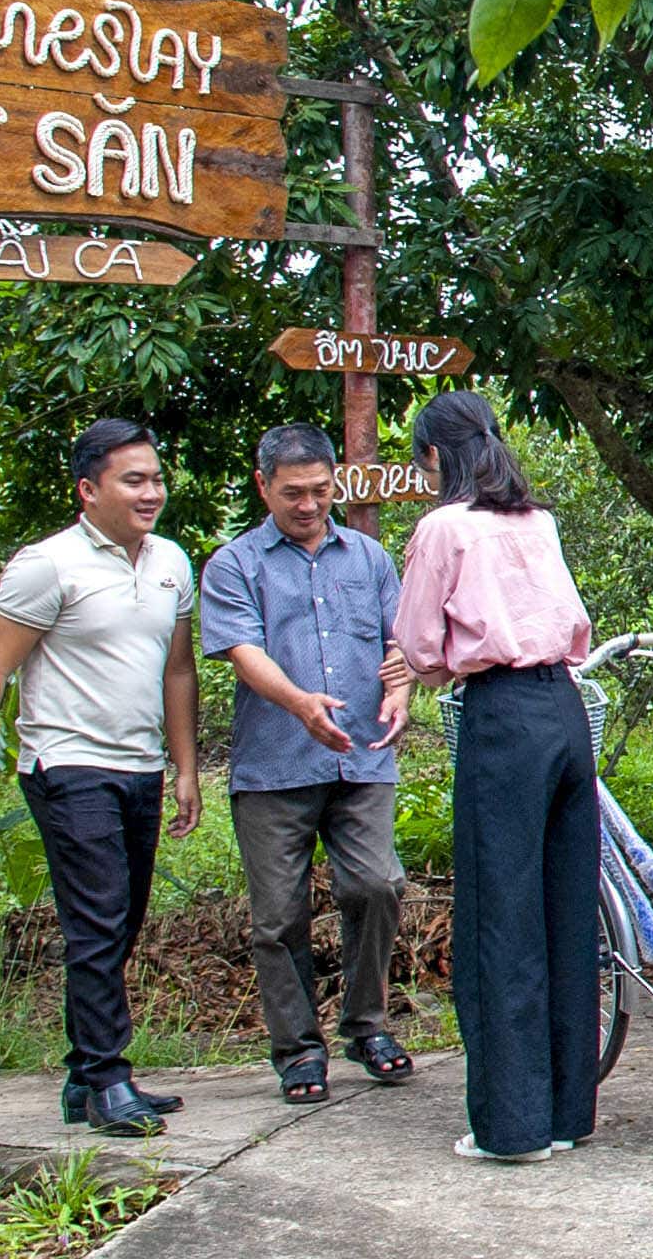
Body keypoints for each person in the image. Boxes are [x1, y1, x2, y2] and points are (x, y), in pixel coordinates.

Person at [0, 419, 201, 1138]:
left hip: (139, 766)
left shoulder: (169, 561)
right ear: (88, 489)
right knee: (98, 920)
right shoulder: (48, 565)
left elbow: (178, 669)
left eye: (156, 478)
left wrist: (187, 765)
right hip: (68, 764)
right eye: (133, 479)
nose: (152, 492)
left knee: (123, 920)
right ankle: (108, 1079)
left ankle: (84, 1076)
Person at [392, 391, 598, 1165]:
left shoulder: (444, 528)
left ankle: (511, 1129)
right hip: (565, 712)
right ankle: (567, 1113)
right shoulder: (536, 522)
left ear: (437, 458)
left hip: (504, 717)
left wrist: (454, 663)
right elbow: (575, 627)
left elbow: (417, 642)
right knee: (565, 912)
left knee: (502, 919)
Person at [198, 422, 417, 1107]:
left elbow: (400, 643)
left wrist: (401, 689)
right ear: (264, 487)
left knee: (377, 885)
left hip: (363, 759)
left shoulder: (371, 559)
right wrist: (298, 703)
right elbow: (242, 650)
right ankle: (297, 1049)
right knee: (277, 918)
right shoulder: (234, 566)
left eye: (321, 491)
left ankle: (366, 1025)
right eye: (293, 493)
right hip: (276, 767)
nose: (309, 505)